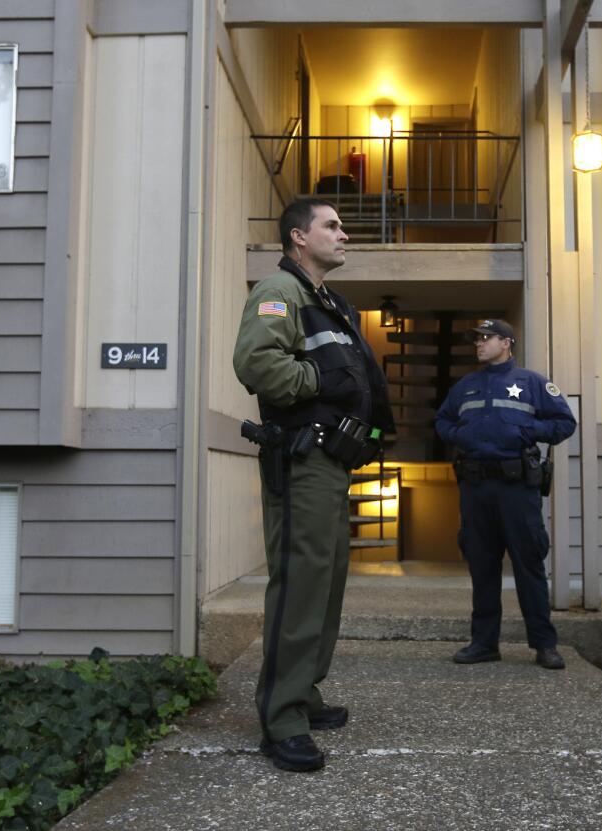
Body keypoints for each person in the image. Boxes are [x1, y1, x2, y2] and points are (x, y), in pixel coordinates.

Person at [233, 199, 393, 772]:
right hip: (301, 461)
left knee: (325, 585)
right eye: (332, 225)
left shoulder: (325, 301)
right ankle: (280, 721)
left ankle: (303, 693)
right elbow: (257, 363)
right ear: (299, 237)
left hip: (329, 462)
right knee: (300, 586)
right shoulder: (279, 290)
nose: (343, 234)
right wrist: (317, 380)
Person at [434, 319, 577, 670]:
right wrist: (462, 437)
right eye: (477, 339)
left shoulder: (532, 383)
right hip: (475, 487)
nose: (479, 344)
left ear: (507, 342)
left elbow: (564, 423)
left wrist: (527, 430)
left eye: (487, 338)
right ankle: (484, 643)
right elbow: (442, 422)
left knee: (528, 564)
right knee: (482, 566)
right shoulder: (466, 386)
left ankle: (544, 644)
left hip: (516, 489)